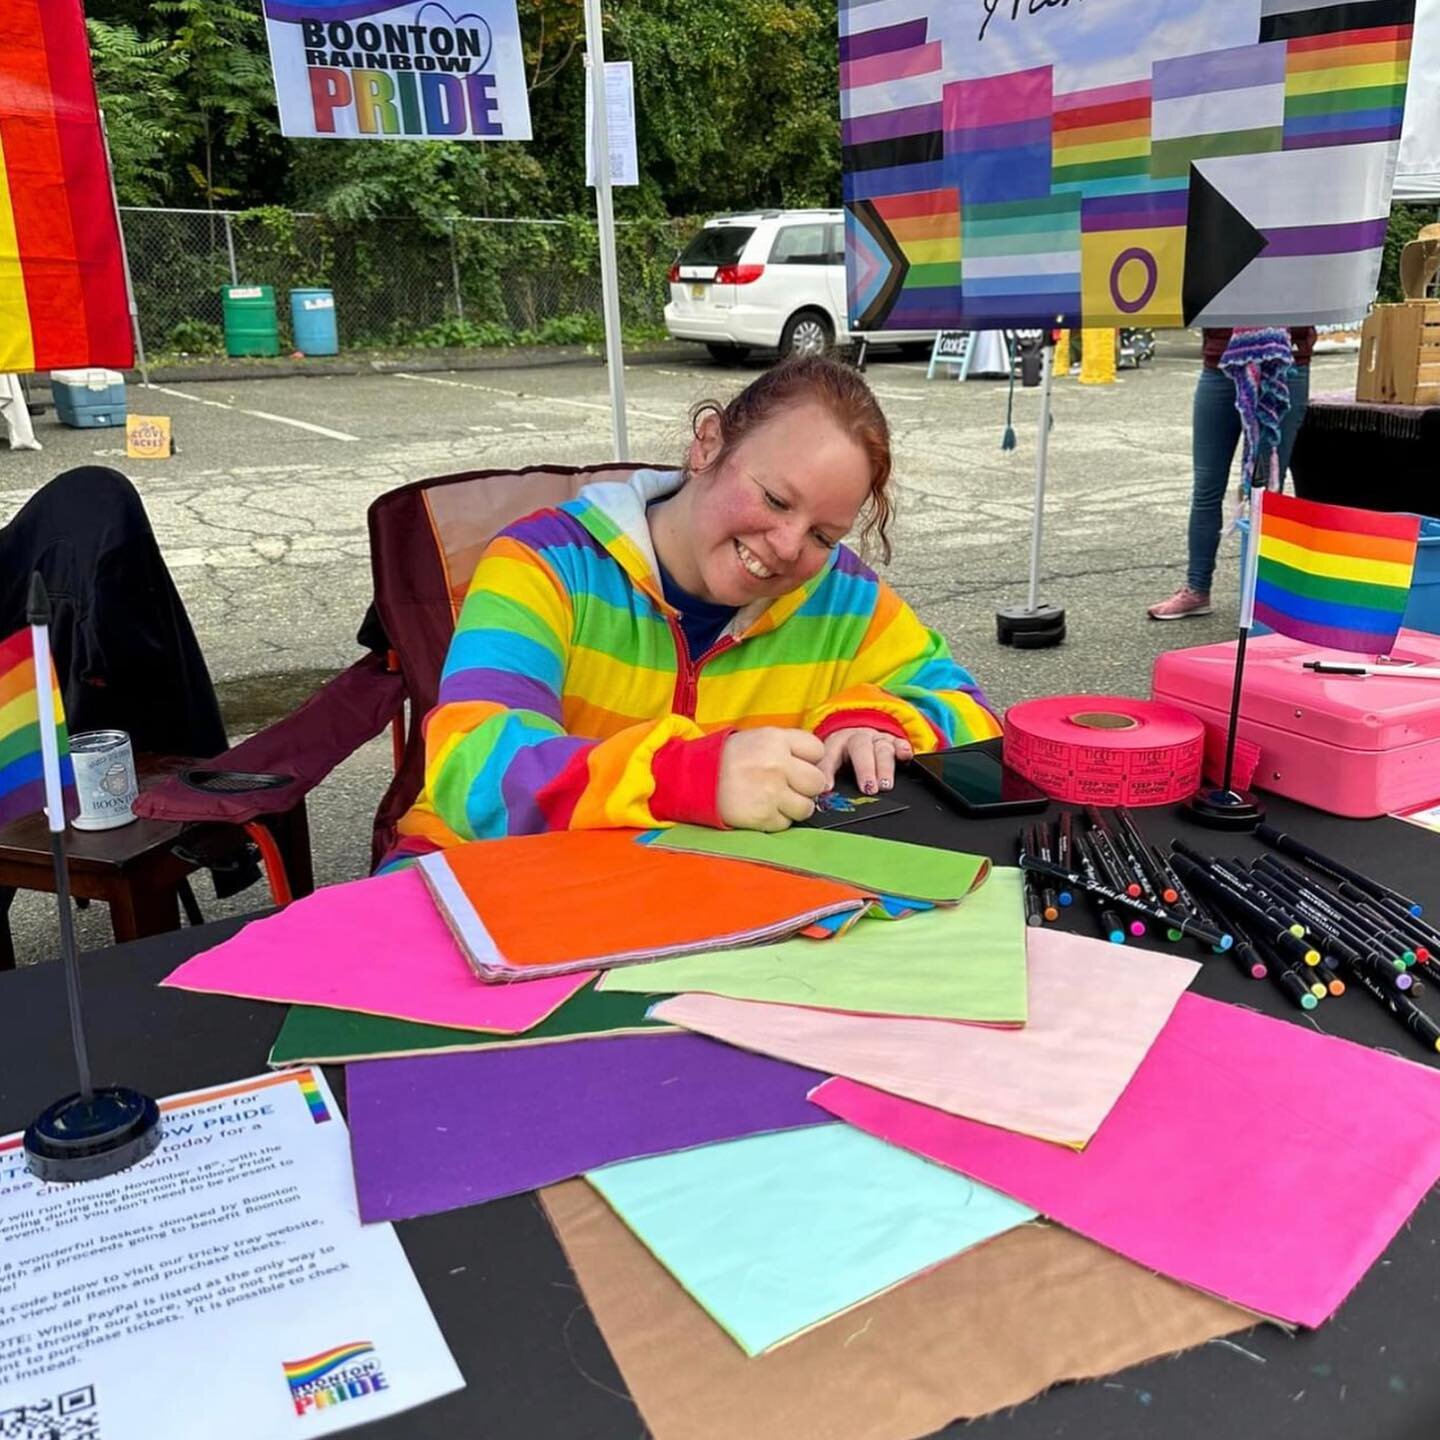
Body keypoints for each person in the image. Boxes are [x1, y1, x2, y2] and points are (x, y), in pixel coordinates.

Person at [390, 355, 1000, 858]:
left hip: (688, 915)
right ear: (708, 444)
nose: (788, 548)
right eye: (775, 499)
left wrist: (879, 721)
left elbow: (976, 720)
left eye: (823, 536)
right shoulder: (545, 563)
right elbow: (471, 769)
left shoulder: (843, 598)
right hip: (480, 892)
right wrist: (688, 777)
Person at [1148, 326, 1314, 621]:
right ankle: (1197, 589)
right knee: (1207, 485)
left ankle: (1267, 601)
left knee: (1266, 491)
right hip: (1221, 362)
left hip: (1285, 364)